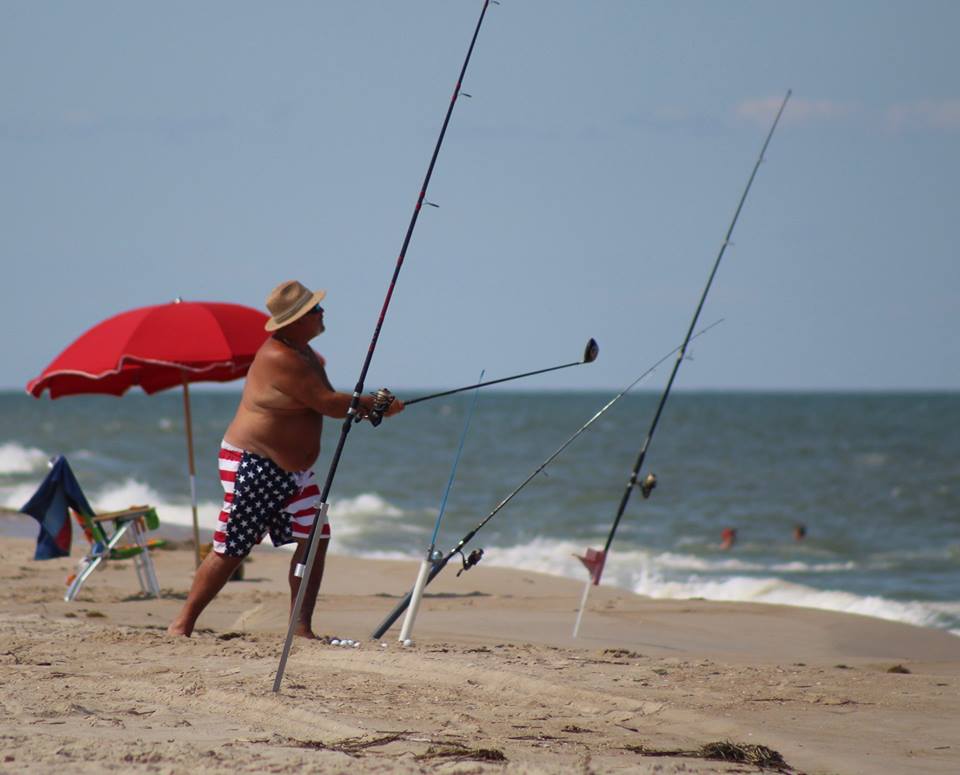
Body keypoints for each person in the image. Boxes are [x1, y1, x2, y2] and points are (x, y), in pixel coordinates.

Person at [168, 280, 403, 638]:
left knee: (316, 536)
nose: (322, 313)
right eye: (314, 311)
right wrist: (376, 406)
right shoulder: (280, 356)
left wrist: (372, 407)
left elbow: (326, 401)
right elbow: (326, 403)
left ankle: (300, 627)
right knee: (233, 548)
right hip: (255, 464)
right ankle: (181, 625)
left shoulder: (306, 354)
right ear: (293, 321)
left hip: (293, 472)